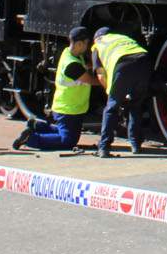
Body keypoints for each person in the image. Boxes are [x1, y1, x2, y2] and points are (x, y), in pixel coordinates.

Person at [14, 26, 100, 151]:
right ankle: (31, 139)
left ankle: (37, 126)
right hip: (68, 108)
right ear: (80, 44)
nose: (88, 47)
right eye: (87, 43)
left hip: (69, 106)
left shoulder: (69, 53)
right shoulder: (72, 65)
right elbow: (90, 80)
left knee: (66, 132)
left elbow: (85, 66)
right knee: (67, 141)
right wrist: (107, 82)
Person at [91, 27, 150, 157]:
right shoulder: (122, 38)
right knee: (135, 105)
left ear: (97, 38)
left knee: (111, 108)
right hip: (144, 61)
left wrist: (113, 94)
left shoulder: (97, 45)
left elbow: (101, 76)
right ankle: (135, 145)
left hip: (123, 64)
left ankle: (104, 147)